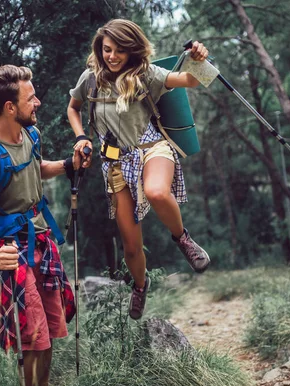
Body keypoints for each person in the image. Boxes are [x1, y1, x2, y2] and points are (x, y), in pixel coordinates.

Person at [0, 65, 86, 386]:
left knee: (50, 329)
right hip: (11, 251)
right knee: (32, 335)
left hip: (42, 241)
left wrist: (67, 165)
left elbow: (34, 168)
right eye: (31, 98)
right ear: (10, 107)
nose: (38, 102)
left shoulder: (30, 135)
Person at [67, 19, 211, 320]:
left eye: (120, 51)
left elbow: (190, 81)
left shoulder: (146, 74)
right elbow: (73, 106)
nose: (113, 56)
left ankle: (183, 239)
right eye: (108, 49)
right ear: (100, 48)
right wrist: (81, 136)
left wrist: (201, 60)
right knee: (131, 246)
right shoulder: (89, 79)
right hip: (115, 162)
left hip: (151, 148)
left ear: (132, 51)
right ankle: (140, 287)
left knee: (156, 192)